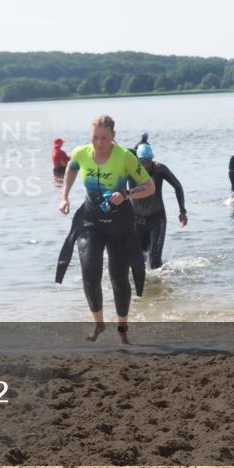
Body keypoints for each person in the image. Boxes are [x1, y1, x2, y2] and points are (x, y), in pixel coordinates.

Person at [58, 115, 155, 342]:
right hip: (91, 220)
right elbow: (72, 168)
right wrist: (64, 196)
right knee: (89, 271)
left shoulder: (125, 157)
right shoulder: (81, 153)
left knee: (119, 278)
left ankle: (122, 329)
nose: (98, 143)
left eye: (103, 138)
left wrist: (127, 194)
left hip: (120, 224)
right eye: (94, 137)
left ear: (113, 136)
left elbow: (149, 186)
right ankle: (99, 323)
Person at [131, 143, 187, 269]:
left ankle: (158, 283)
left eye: (149, 161)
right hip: (136, 221)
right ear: (137, 160)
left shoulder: (159, 169)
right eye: (143, 161)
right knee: (138, 260)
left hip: (156, 220)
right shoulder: (131, 170)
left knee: (154, 262)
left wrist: (182, 210)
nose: (146, 164)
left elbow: (177, 186)